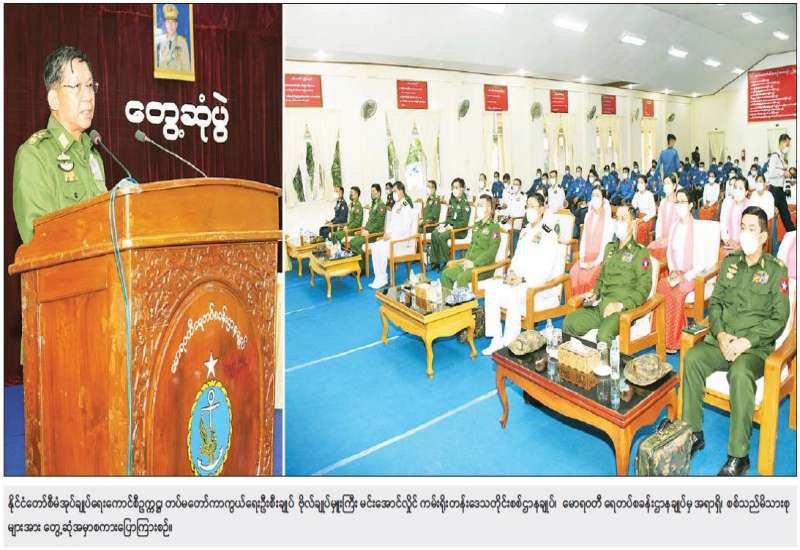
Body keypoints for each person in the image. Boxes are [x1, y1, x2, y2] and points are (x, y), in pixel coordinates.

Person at [682, 206, 790, 476]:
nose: (745, 233)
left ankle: (738, 455)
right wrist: (720, 335)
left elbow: (779, 319)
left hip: (754, 348)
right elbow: (715, 303)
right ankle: (693, 433)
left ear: (764, 237)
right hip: (723, 341)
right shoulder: (730, 263)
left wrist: (746, 342)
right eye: (742, 227)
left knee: (740, 374)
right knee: (692, 358)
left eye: (752, 228)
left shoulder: (776, 270)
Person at [13, 46, 107, 244]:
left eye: (90, 85)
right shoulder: (35, 155)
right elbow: (39, 241)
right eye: (77, 86)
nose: (88, 96)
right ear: (54, 99)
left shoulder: (93, 155)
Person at [563, 204, 653, 345]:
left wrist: (620, 305)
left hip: (622, 311)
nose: (618, 222)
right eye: (617, 218)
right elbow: (601, 278)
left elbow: (644, 289)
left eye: (623, 219)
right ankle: (577, 357)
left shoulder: (640, 253)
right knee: (570, 322)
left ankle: (605, 360)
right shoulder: (609, 248)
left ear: (633, 223)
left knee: (603, 336)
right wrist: (595, 292)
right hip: (601, 306)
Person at [482, 193, 561, 354]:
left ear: (542, 209)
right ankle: (496, 339)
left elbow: (546, 270)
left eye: (533, 206)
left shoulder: (549, 235)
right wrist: (511, 272)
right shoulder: (525, 231)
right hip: (518, 280)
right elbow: (516, 258)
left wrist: (523, 279)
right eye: (527, 206)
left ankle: (510, 342)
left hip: (537, 285)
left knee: (513, 296)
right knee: (491, 289)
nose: (529, 210)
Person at [655, 189, 701, 353]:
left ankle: (673, 340)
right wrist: (673, 270)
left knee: (675, 294)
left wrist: (685, 277)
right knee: (660, 287)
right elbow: (669, 253)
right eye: (677, 202)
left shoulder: (697, 228)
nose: (679, 205)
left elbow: (701, 262)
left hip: (691, 275)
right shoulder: (674, 226)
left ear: (690, 205)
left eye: (682, 201)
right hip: (675, 272)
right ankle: (659, 334)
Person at [440, 194, 501, 290]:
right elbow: (472, 246)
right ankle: (449, 299)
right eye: (478, 205)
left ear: (489, 209)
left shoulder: (494, 227)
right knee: (445, 274)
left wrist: (474, 263)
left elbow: (491, 253)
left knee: (462, 278)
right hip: (469, 263)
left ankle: (463, 300)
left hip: (483, 268)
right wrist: (466, 261)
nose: (478, 208)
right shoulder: (477, 225)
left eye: (481, 205)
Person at [368, 182, 417, 289]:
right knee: (376, 246)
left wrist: (391, 235)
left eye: (395, 191)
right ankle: (379, 278)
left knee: (382, 247)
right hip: (393, 237)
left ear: (401, 191)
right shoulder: (396, 205)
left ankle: (382, 278)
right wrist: (387, 233)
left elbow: (405, 228)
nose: (393, 193)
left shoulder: (406, 205)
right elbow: (392, 223)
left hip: (402, 239)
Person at [569, 186, 613, 295]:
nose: (595, 198)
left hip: (599, 259)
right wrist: (582, 257)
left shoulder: (608, 220)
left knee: (588, 278)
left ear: (603, 200)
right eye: (593, 195)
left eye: (598, 196)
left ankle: (587, 302)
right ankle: (576, 301)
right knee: (573, 273)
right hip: (586, 257)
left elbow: (606, 245)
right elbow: (583, 239)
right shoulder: (588, 216)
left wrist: (594, 263)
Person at [428, 177, 470, 270]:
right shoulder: (452, 200)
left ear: (462, 188)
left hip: (460, 231)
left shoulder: (465, 204)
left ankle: (448, 262)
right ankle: (435, 261)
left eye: (456, 187)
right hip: (450, 227)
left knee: (442, 236)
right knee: (435, 233)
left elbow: (464, 223)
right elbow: (449, 217)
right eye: (453, 187)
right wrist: (443, 225)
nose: (454, 189)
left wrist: (452, 227)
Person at [348, 184, 386, 270]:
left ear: (379, 192)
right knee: (353, 241)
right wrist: (365, 229)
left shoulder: (381, 205)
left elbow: (379, 223)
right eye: (371, 191)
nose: (372, 193)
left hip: (375, 234)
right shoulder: (374, 204)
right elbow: (370, 221)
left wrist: (369, 231)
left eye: (374, 191)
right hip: (368, 232)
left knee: (355, 243)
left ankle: (362, 268)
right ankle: (357, 265)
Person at [766, 133, 796, 232]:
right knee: (769, 218)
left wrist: (788, 175)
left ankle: (794, 237)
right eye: (787, 145)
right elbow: (770, 173)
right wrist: (783, 173)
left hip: (780, 191)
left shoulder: (782, 157)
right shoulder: (775, 156)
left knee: (787, 218)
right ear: (781, 143)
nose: (788, 147)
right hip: (774, 191)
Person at [647, 175, 679, 262]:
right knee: (648, 251)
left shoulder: (678, 203)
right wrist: (658, 237)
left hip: (674, 240)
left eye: (668, 183)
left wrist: (668, 239)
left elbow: (679, 227)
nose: (665, 186)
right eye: (664, 183)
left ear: (674, 186)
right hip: (661, 238)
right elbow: (659, 222)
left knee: (661, 254)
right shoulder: (663, 202)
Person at [156, 4, 191, 72]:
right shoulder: (161, 41)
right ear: (165, 24)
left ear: (176, 25)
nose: (170, 25)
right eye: (168, 22)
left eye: (173, 22)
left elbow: (186, 67)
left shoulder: (182, 42)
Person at [720, 177, 749, 255]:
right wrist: (727, 240)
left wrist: (740, 244)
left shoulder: (750, 205)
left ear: (746, 192)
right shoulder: (727, 203)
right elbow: (723, 223)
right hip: (729, 243)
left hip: (745, 246)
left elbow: (751, 231)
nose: (737, 191)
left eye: (740, 188)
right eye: (735, 188)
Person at [632, 175, 656, 243]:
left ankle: (640, 246)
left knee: (640, 227)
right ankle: (632, 245)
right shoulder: (636, 194)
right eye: (638, 182)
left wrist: (643, 219)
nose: (639, 184)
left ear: (646, 184)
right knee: (630, 225)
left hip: (648, 218)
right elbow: (634, 205)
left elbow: (653, 212)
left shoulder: (650, 195)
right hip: (639, 216)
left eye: (641, 182)